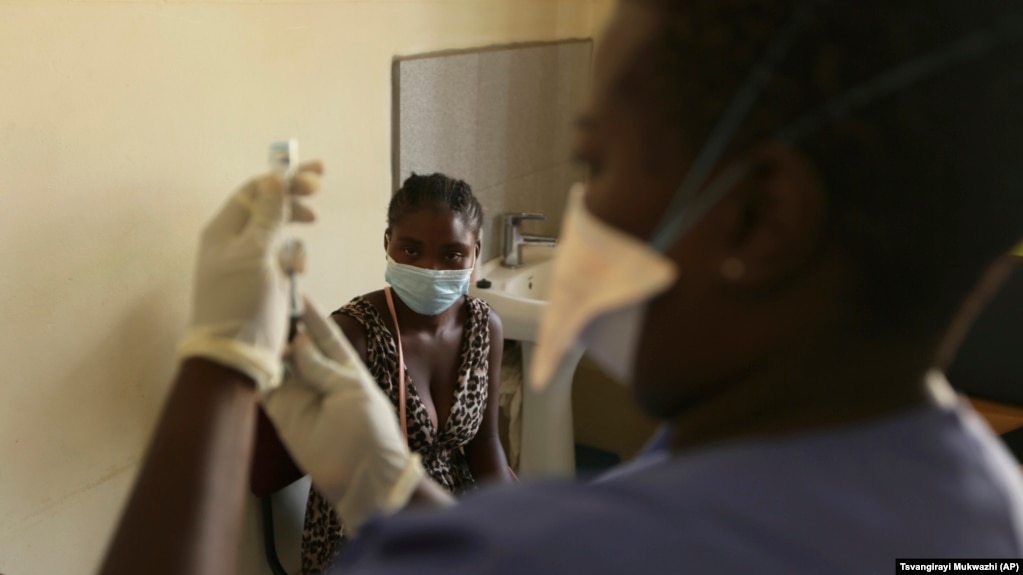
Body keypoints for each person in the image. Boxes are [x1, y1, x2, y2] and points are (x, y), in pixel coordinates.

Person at [100, 0, 1023, 574]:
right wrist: (390, 489)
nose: (579, 211)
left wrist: (215, 360)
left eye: (598, 159)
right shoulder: (986, 518)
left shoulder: (587, 542)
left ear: (759, 216)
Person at [301, 173, 511, 575]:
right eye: (411, 250)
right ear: (387, 244)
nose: (430, 269)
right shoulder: (352, 334)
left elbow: (486, 449)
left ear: (475, 251)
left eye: (451, 254)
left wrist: (513, 526)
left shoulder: (485, 327)